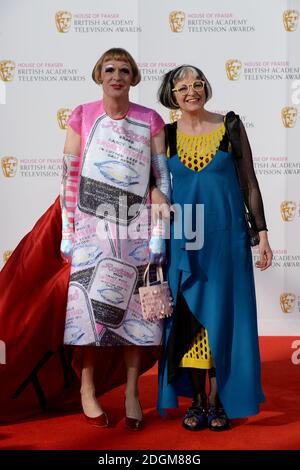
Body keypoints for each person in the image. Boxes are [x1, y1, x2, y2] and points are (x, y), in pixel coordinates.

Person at [0, 48, 170, 430]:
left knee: (137, 316)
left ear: (134, 77)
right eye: (110, 69)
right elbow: (69, 180)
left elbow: (162, 180)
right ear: (98, 75)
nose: (117, 76)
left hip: (136, 229)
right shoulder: (81, 116)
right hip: (92, 229)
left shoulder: (151, 120)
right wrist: (68, 232)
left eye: (125, 70)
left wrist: (159, 233)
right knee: (87, 315)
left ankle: (131, 391)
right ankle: (87, 390)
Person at [156, 65, 273, 431]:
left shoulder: (230, 126)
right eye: (182, 87)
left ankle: (220, 401)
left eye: (197, 84)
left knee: (226, 318)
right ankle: (198, 401)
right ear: (171, 96)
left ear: (206, 88)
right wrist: (156, 194)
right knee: (188, 320)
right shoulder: (166, 134)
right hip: (185, 237)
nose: (192, 91)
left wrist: (263, 233)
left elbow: (249, 183)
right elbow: (153, 181)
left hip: (227, 237)